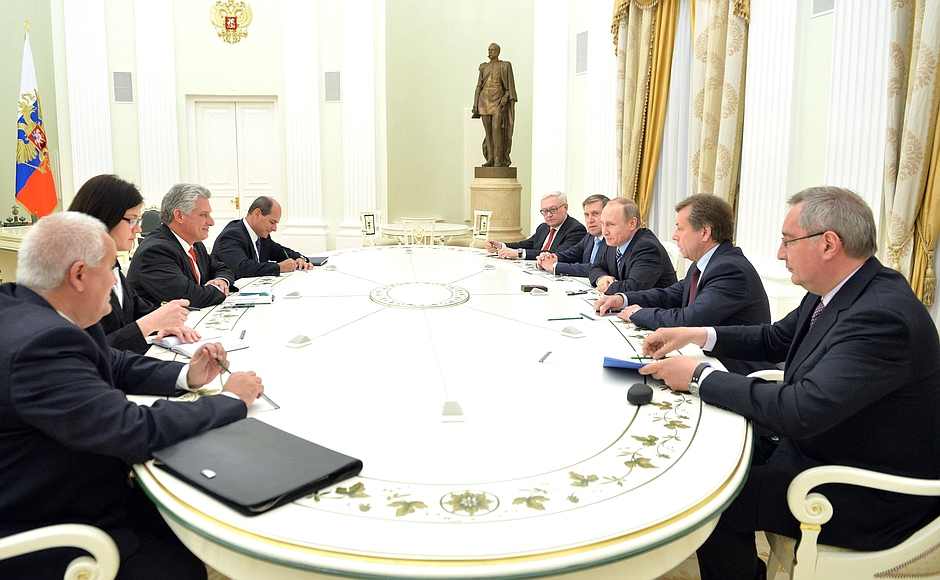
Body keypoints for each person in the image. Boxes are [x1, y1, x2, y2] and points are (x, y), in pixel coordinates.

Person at [638, 187, 940, 580]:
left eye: (787, 240)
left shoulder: (881, 316)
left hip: (869, 491)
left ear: (828, 243)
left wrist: (698, 376)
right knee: (706, 460)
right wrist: (695, 334)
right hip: (825, 445)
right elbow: (774, 338)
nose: (780, 253)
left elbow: (801, 410)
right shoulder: (839, 290)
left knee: (709, 500)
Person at [0, 212, 264, 580]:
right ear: (79, 275)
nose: (115, 279)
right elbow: (132, 429)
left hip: (70, 480)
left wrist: (187, 375)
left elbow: (114, 362)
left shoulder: (31, 308)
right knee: (183, 563)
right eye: (111, 268)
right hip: (50, 522)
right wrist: (230, 401)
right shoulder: (40, 346)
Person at [594, 194, 771, 374]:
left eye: (680, 228)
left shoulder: (730, 269)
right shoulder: (706, 262)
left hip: (733, 368)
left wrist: (638, 313)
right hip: (702, 354)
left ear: (704, 232)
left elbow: (690, 320)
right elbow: (671, 294)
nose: (674, 236)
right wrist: (622, 299)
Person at [68, 174, 199, 354]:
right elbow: (89, 350)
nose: (138, 229)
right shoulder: (78, 274)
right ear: (104, 217)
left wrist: (164, 322)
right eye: (131, 220)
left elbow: (133, 307)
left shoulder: (109, 261)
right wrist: (149, 324)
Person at [127, 183, 234, 309]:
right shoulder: (155, 251)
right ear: (179, 216)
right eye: (203, 215)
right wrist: (218, 289)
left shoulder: (195, 244)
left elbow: (222, 268)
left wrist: (221, 280)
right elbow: (190, 297)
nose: (211, 222)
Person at [589, 197, 676, 294]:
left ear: (632, 223)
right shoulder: (614, 240)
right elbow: (595, 267)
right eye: (602, 224)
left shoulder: (647, 247)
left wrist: (607, 286)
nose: (605, 232)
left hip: (654, 303)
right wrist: (601, 278)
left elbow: (633, 288)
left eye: (611, 224)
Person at [212, 196, 311, 279]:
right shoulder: (232, 235)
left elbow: (280, 251)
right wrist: (279, 267)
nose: (275, 228)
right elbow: (242, 268)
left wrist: (299, 259)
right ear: (257, 213)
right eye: (272, 222)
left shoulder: (261, 235)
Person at [485, 192, 586, 260]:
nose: (548, 215)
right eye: (544, 211)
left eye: (553, 210)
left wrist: (519, 253)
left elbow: (556, 254)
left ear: (565, 208)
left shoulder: (576, 229)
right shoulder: (543, 227)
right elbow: (527, 244)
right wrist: (502, 246)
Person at [536, 194, 609, 277]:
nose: (590, 220)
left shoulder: (612, 240)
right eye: (587, 215)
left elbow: (597, 268)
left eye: (595, 214)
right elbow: (571, 254)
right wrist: (550, 258)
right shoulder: (590, 236)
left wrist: (554, 266)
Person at [471, 42, 517, 167]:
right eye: (489, 50)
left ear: (498, 51)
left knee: (496, 129)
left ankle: (498, 159)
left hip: (497, 101)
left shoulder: (505, 65)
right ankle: (490, 158)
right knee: (488, 132)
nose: (490, 52)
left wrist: (505, 97)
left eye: (492, 50)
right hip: (484, 101)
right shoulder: (483, 67)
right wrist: (475, 103)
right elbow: (479, 86)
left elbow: (509, 88)